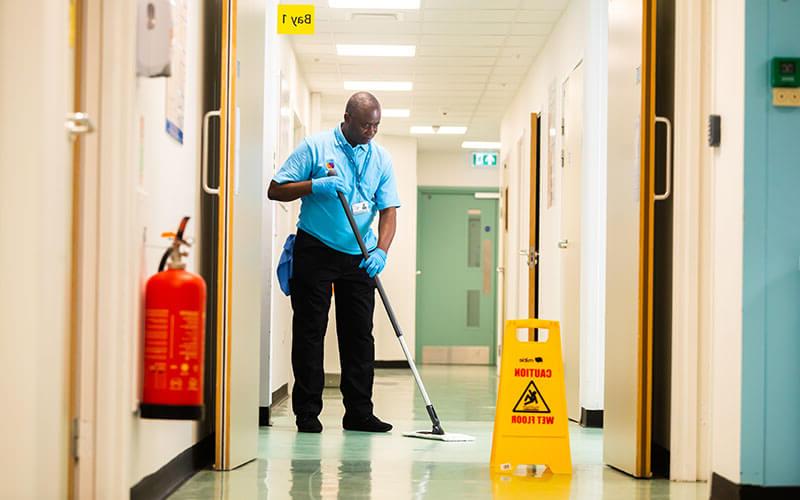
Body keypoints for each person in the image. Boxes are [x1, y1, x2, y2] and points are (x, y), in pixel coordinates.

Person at [267, 92, 400, 433]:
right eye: (365, 124)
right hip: (316, 247)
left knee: (359, 335)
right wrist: (314, 186)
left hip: (360, 253)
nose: (371, 131)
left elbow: (388, 212)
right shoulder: (315, 147)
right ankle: (307, 413)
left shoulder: (381, 159)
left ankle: (359, 412)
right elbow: (275, 189)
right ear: (347, 118)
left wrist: (380, 252)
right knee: (310, 330)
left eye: (376, 125)